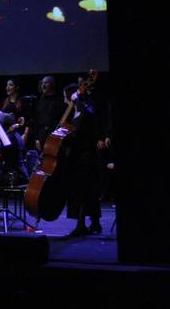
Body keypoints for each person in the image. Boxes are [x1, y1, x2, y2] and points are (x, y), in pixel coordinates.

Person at [61, 83, 103, 237]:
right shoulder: (79, 112)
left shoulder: (84, 110)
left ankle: (81, 225)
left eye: (66, 98)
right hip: (82, 154)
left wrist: (77, 99)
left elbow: (80, 132)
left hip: (85, 156)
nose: (66, 102)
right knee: (88, 190)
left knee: (82, 190)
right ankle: (95, 223)